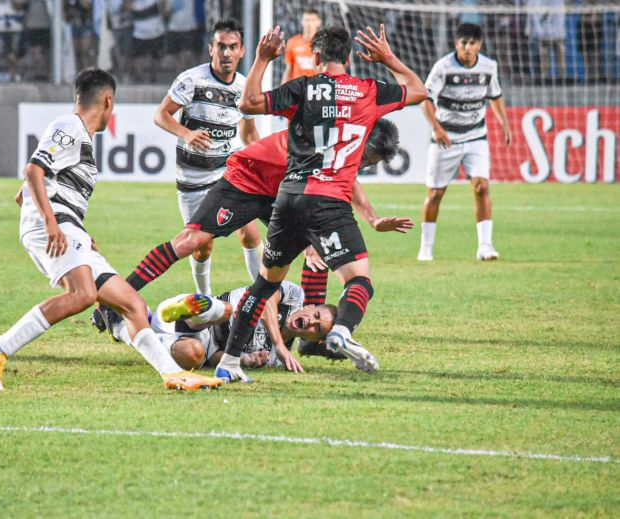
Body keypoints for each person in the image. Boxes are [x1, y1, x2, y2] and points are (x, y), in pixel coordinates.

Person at [0, 68, 223, 392]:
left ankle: (172, 373)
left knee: (132, 304)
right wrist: (51, 224)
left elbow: (23, 194)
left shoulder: (80, 139)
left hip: (66, 227)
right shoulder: (69, 127)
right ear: (108, 101)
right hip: (54, 226)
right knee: (83, 295)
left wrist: (73, 229)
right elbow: (32, 170)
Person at [213, 24, 426, 383]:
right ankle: (341, 330)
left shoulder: (303, 88)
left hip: (288, 197)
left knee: (265, 285)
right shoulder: (368, 91)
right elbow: (420, 90)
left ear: (314, 57)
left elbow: (247, 103)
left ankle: (229, 363)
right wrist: (387, 57)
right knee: (359, 281)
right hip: (330, 202)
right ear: (348, 58)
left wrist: (263, 59)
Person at [116, 119, 410, 299]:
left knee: (319, 246)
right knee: (190, 242)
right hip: (245, 181)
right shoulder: (320, 138)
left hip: (281, 192)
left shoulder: (346, 150)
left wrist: (373, 219)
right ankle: (118, 298)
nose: (362, 165)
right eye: (367, 158)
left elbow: (348, 182)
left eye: (369, 164)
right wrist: (308, 232)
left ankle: (309, 331)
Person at [147, 18, 260, 296]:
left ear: (242, 51)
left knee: (251, 232)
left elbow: (248, 135)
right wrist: (185, 133)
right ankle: (205, 299)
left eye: (233, 47)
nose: (226, 53)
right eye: (221, 46)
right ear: (211, 49)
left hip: (228, 174)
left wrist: (266, 161)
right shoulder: (191, 80)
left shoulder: (245, 88)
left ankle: (262, 297)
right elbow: (160, 115)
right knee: (202, 245)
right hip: (193, 179)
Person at [417, 23, 512, 262]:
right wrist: (437, 129)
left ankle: (485, 246)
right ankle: (426, 248)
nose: (467, 48)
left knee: (482, 187)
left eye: (472, 43)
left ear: (479, 44)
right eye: (463, 43)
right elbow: (425, 100)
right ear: (456, 44)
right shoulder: (443, 67)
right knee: (436, 193)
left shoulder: (489, 67)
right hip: (445, 138)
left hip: (476, 136)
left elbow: (495, 97)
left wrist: (504, 124)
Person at [100, 281, 336, 374]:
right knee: (227, 311)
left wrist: (245, 360)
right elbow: (264, 299)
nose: (312, 321)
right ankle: (175, 310)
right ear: (311, 305)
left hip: (198, 342)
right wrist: (279, 344)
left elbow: (215, 358)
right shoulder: (294, 296)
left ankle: (123, 327)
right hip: (203, 316)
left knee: (194, 354)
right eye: (316, 315)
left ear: (313, 339)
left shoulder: (274, 359)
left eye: (317, 328)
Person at [281, 7, 321, 84]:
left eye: (312, 20)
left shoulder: (325, 44)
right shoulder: (292, 42)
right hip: (297, 89)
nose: (309, 24)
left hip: (316, 88)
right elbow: (289, 68)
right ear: (302, 22)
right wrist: (282, 89)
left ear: (318, 22)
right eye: (306, 20)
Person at [130, 0, 167, 82]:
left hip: (157, 31)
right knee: (137, 57)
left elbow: (164, 9)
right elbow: (126, 7)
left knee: (156, 56)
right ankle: (139, 78)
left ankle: (154, 77)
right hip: (139, 33)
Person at [0, 0, 26, 81]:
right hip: (0, 26)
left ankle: (13, 74)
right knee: (2, 51)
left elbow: (19, 6)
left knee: (13, 52)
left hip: (14, 26)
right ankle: (19, 68)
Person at [23, 0, 51, 81]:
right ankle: (39, 72)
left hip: (47, 23)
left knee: (44, 51)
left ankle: (44, 72)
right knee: (35, 51)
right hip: (33, 24)